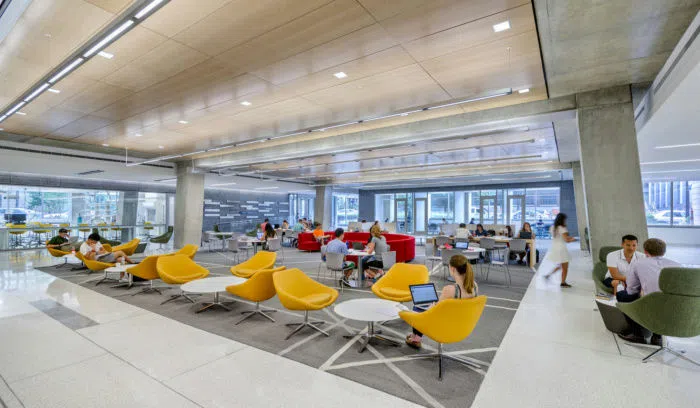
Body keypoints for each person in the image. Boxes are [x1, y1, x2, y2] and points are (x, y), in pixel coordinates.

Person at [405, 254, 478, 349]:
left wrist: (431, 306)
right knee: (424, 308)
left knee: (418, 308)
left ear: (453, 269)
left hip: (445, 327)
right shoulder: (475, 286)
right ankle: (415, 337)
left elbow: (434, 311)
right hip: (463, 326)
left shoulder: (450, 290)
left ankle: (416, 339)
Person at [616, 238, 679, 345]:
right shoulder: (677, 265)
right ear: (664, 252)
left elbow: (631, 289)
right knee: (661, 300)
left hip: (651, 304)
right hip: (674, 306)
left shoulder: (637, 263)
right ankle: (657, 336)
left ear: (645, 251)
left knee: (623, 295)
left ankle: (637, 335)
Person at [542, 213, 576, 287]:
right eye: (565, 220)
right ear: (562, 220)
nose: (565, 221)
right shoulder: (562, 228)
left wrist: (568, 237)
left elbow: (559, 237)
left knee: (561, 265)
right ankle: (563, 282)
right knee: (565, 267)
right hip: (562, 249)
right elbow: (566, 240)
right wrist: (573, 239)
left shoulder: (553, 227)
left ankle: (548, 275)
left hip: (555, 248)